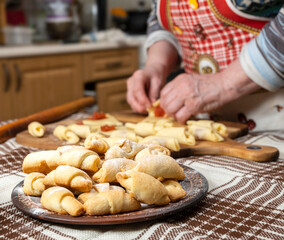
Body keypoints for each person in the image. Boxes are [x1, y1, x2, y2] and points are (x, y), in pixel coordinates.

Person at [127, 0, 284, 131]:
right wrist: (157, 65)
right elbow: (163, 23)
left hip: (274, 124)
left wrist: (224, 83)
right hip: (205, 126)